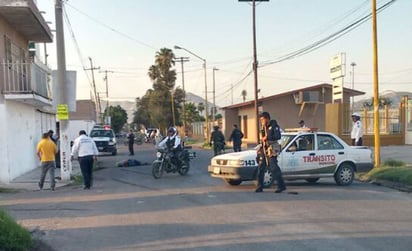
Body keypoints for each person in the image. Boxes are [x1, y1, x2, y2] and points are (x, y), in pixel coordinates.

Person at [255, 112, 286, 193]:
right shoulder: (263, 127)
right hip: (264, 148)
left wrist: (267, 137)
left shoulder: (274, 126)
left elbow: (278, 136)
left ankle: (281, 185)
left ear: (267, 118)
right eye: (260, 120)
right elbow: (262, 139)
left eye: (262, 119)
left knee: (273, 167)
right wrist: (260, 147)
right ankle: (259, 186)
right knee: (261, 167)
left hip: (272, 148)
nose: (261, 121)